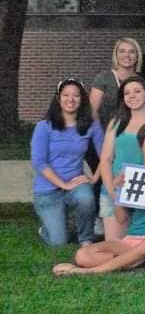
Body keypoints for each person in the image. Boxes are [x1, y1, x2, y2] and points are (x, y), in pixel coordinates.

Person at [52, 122, 145, 275]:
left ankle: (91, 271)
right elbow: (121, 219)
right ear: (141, 145)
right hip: (133, 237)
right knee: (83, 255)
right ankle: (140, 262)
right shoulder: (131, 172)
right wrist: (119, 192)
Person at [32, 79, 104, 246]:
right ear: (58, 99)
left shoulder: (90, 125)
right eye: (66, 95)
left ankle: (85, 238)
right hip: (47, 190)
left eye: (76, 95)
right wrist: (64, 185)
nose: (71, 99)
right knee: (59, 242)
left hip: (76, 182)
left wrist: (94, 178)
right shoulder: (44, 126)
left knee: (86, 198)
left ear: (82, 99)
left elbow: (105, 154)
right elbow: (39, 162)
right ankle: (48, 228)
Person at [98, 76, 145, 241]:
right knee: (115, 247)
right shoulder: (116, 123)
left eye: (137, 91)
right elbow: (105, 159)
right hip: (115, 188)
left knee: (140, 247)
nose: (132, 96)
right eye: (127, 93)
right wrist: (112, 192)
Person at [91, 38, 142, 125]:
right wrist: (100, 136)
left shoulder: (141, 82)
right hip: (105, 134)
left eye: (131, 52)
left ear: (137, 57)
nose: (127, 55)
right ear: (116, 55)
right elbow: (93, 111)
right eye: (122, 51)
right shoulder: (103, 78)